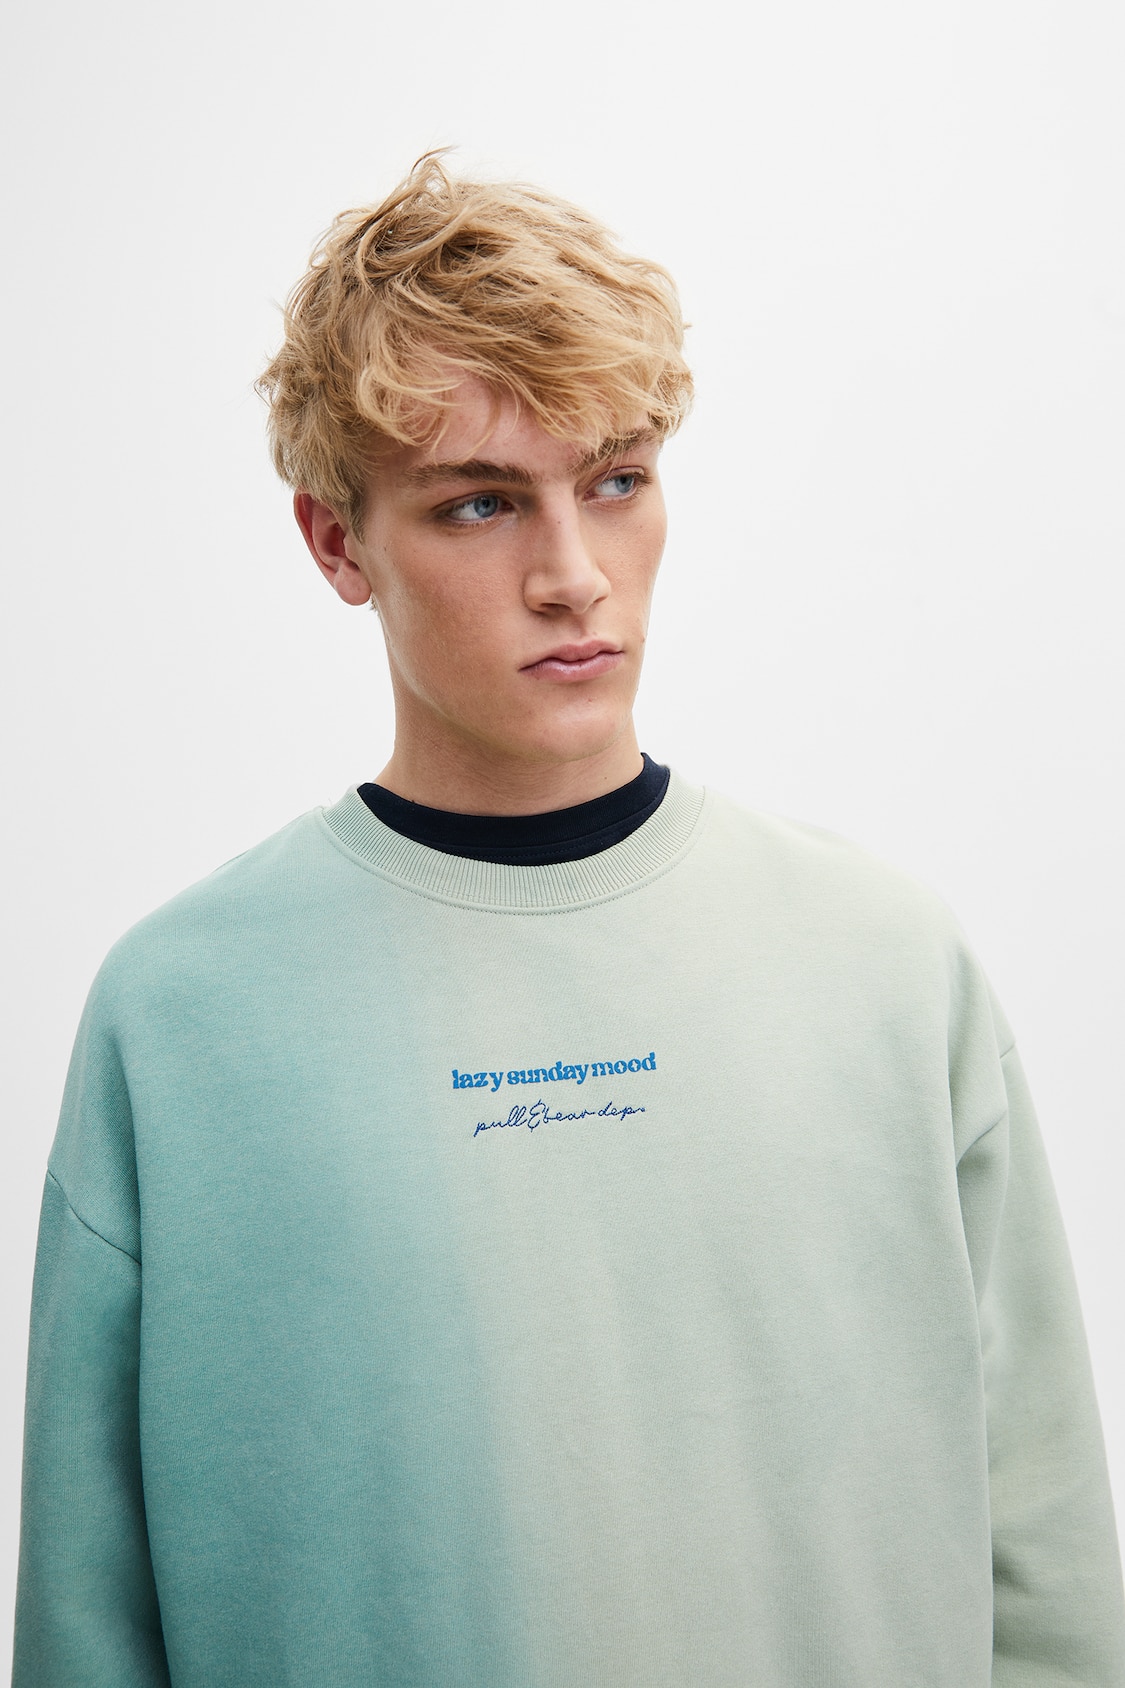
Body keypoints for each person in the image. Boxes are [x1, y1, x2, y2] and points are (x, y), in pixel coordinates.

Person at [12, 150, 1125, 1688]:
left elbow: (1047, 1562)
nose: (571, 575)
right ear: (336, 542)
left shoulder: (884, 963)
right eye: (479, 503)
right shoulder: (183, 1013)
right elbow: (85, 1621)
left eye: (614, 481)